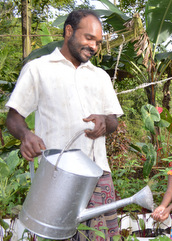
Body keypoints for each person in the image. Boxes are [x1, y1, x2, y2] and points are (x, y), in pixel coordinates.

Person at [5, 9, 123, 241]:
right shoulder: (38, 69)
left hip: (98, 174)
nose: (94, 46)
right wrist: (26, 135)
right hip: (57, 177)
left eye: (98, 42)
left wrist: (104, 122)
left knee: (103, 238)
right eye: (89, 38)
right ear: (69, 31)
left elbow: (113, 120)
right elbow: (14, 117)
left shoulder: (100, 77)